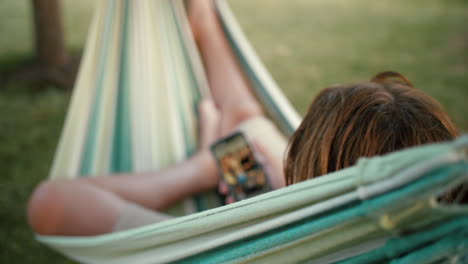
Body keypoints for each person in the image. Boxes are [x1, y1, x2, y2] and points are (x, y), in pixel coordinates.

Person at [27, 0, 459, 237]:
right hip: (331, 222)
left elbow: (50, 204)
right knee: (248, 131)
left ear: (307, 177)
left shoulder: (245, 250)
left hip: (268, 228)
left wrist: (197, 171)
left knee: (245, 134)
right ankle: (208, 27)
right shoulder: (439, 233)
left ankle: (207, 37)